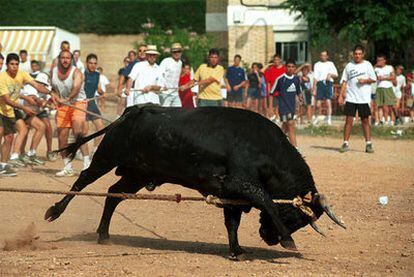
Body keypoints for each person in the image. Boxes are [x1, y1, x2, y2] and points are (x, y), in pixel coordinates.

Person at [0, 53, 50, 176]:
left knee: (15, 134)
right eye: (12, 64)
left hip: (14, 110)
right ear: (7, 65)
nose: (14, 67)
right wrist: (25, 107)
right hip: (3, 110)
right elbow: (7, 100)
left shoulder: (22, 74)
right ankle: (12, 158)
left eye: (16, 64)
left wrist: (51, 93)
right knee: (6, 136)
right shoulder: (2, 78)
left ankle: (6, 163)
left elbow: (37, 86)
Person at [51, 49, 90, 177]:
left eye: (68, 58)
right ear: (59, 59)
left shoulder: (76, 72)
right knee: (62, 137)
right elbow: (53, 89)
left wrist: (67, 99)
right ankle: (68, 166)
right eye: (63, 57)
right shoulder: (53, 72)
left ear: (71, 59)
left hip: (78, 102)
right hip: (63, 105)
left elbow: (76, 88)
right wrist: (55, 98)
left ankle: (86, 163)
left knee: (78, 131)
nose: (65, 60)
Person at [338, 45, 377, 153]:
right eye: (356, 54)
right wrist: (341, 95)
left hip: (363, 98)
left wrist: (365, 81)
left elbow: (374, 79)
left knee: (365, 120)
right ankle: (345, 143)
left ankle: (368, 144)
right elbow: (344, 81)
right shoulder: (349, 66)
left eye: (360, 54)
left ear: (363, 54)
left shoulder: (367, 65)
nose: (357, 56)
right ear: (353, 54)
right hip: (351, 97)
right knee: (349, 120)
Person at [271, 59, 302, 147]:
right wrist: (271, 107)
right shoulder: (281, 79)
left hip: (291, 107)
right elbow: (271, 93)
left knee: (285, 127)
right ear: (285, 67)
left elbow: (299, 91)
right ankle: (295, 148)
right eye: (289, 66)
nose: (290, 68)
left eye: (292, 67)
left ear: (295, 68)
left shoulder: (296, 79)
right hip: (283, 107)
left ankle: (275, 142)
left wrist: (300, 97)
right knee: (291, 124)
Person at [83, 54, 104, 156]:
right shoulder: (82, 74)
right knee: (84, 131)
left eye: (95, 63)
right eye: (90, 63)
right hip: (83, 105)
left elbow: (98, 88)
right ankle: (81, 150)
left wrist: (101, 92)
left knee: (101, 129)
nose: (93, 65)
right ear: (86, 63)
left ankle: (94, 150)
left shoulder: (97, 75)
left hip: (92, 104)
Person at [312, 50, 338, 125]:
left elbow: (336, 75)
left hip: (328, 83)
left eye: (324, 55)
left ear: (327, 56)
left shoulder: (330, 64)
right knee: (318, 104)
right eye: (321, 55)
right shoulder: (317, 64)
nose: (323, 57)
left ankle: (329, 118)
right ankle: (316, 117)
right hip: (320, 83)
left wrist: (330, 75)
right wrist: (314, 88)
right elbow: (315, 77)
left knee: (328, 102)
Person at [159, 43, 183, 107]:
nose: (177, 53)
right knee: (165, 113)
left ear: (181, 52)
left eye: (179, 51)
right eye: (174, 51)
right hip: (165, 93)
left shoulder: (180, 63)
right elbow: (159, 74)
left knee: (178, 112)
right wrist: (161, 86)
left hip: (175, 93)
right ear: (171, 52)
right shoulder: (166, 61)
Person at [375, 54, 396, 125]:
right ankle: (382, 121)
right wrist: (375, 65)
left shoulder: (389, 67)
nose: (379, 62)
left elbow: (393, 77)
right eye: (377, 60)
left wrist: (383, 78)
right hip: (379, 88)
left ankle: (393, 120)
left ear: (384, 61)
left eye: (380, 60)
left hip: (388, 88)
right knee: (379, 105)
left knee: (391, 105)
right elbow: (371, 73)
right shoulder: (376, 69)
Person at [264, 54, 286, 121]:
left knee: (282, 105)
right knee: (274, 106)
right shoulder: (271, 69)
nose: (276, 61)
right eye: (274, 60)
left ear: (280, 60)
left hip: (282, 91)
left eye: (277, 60)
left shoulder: (284, 69)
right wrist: (269, 64)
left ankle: (281, 118)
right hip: (273, 91)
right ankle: (276, 118)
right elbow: (268, 81)